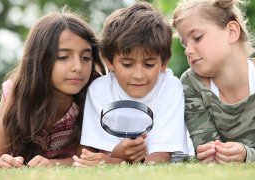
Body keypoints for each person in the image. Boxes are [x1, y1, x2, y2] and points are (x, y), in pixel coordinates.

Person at [73, 1, 194, 167]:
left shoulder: (170, 87)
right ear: (109, 61)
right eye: (127, 64)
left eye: (149, 64)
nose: (138, 75)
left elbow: (161, 159)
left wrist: (113, 161)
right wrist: (115, 156)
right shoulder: (99, 89)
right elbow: (97, 152)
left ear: (164, 63)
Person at [0, 9, 106, 168]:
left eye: (86, 58)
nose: (78, 67)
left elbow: (86, 159)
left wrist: (52, 164)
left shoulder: (94, 94)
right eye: (63, 57)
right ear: (40, 59)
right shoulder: (16, 91)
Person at [172, 0, 255, 163]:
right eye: (184, 44)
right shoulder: (192, 83)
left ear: (232, 32)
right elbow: (208, 152)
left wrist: (246, 155)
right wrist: (210, 153)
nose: (188, 51)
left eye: (197, 38)